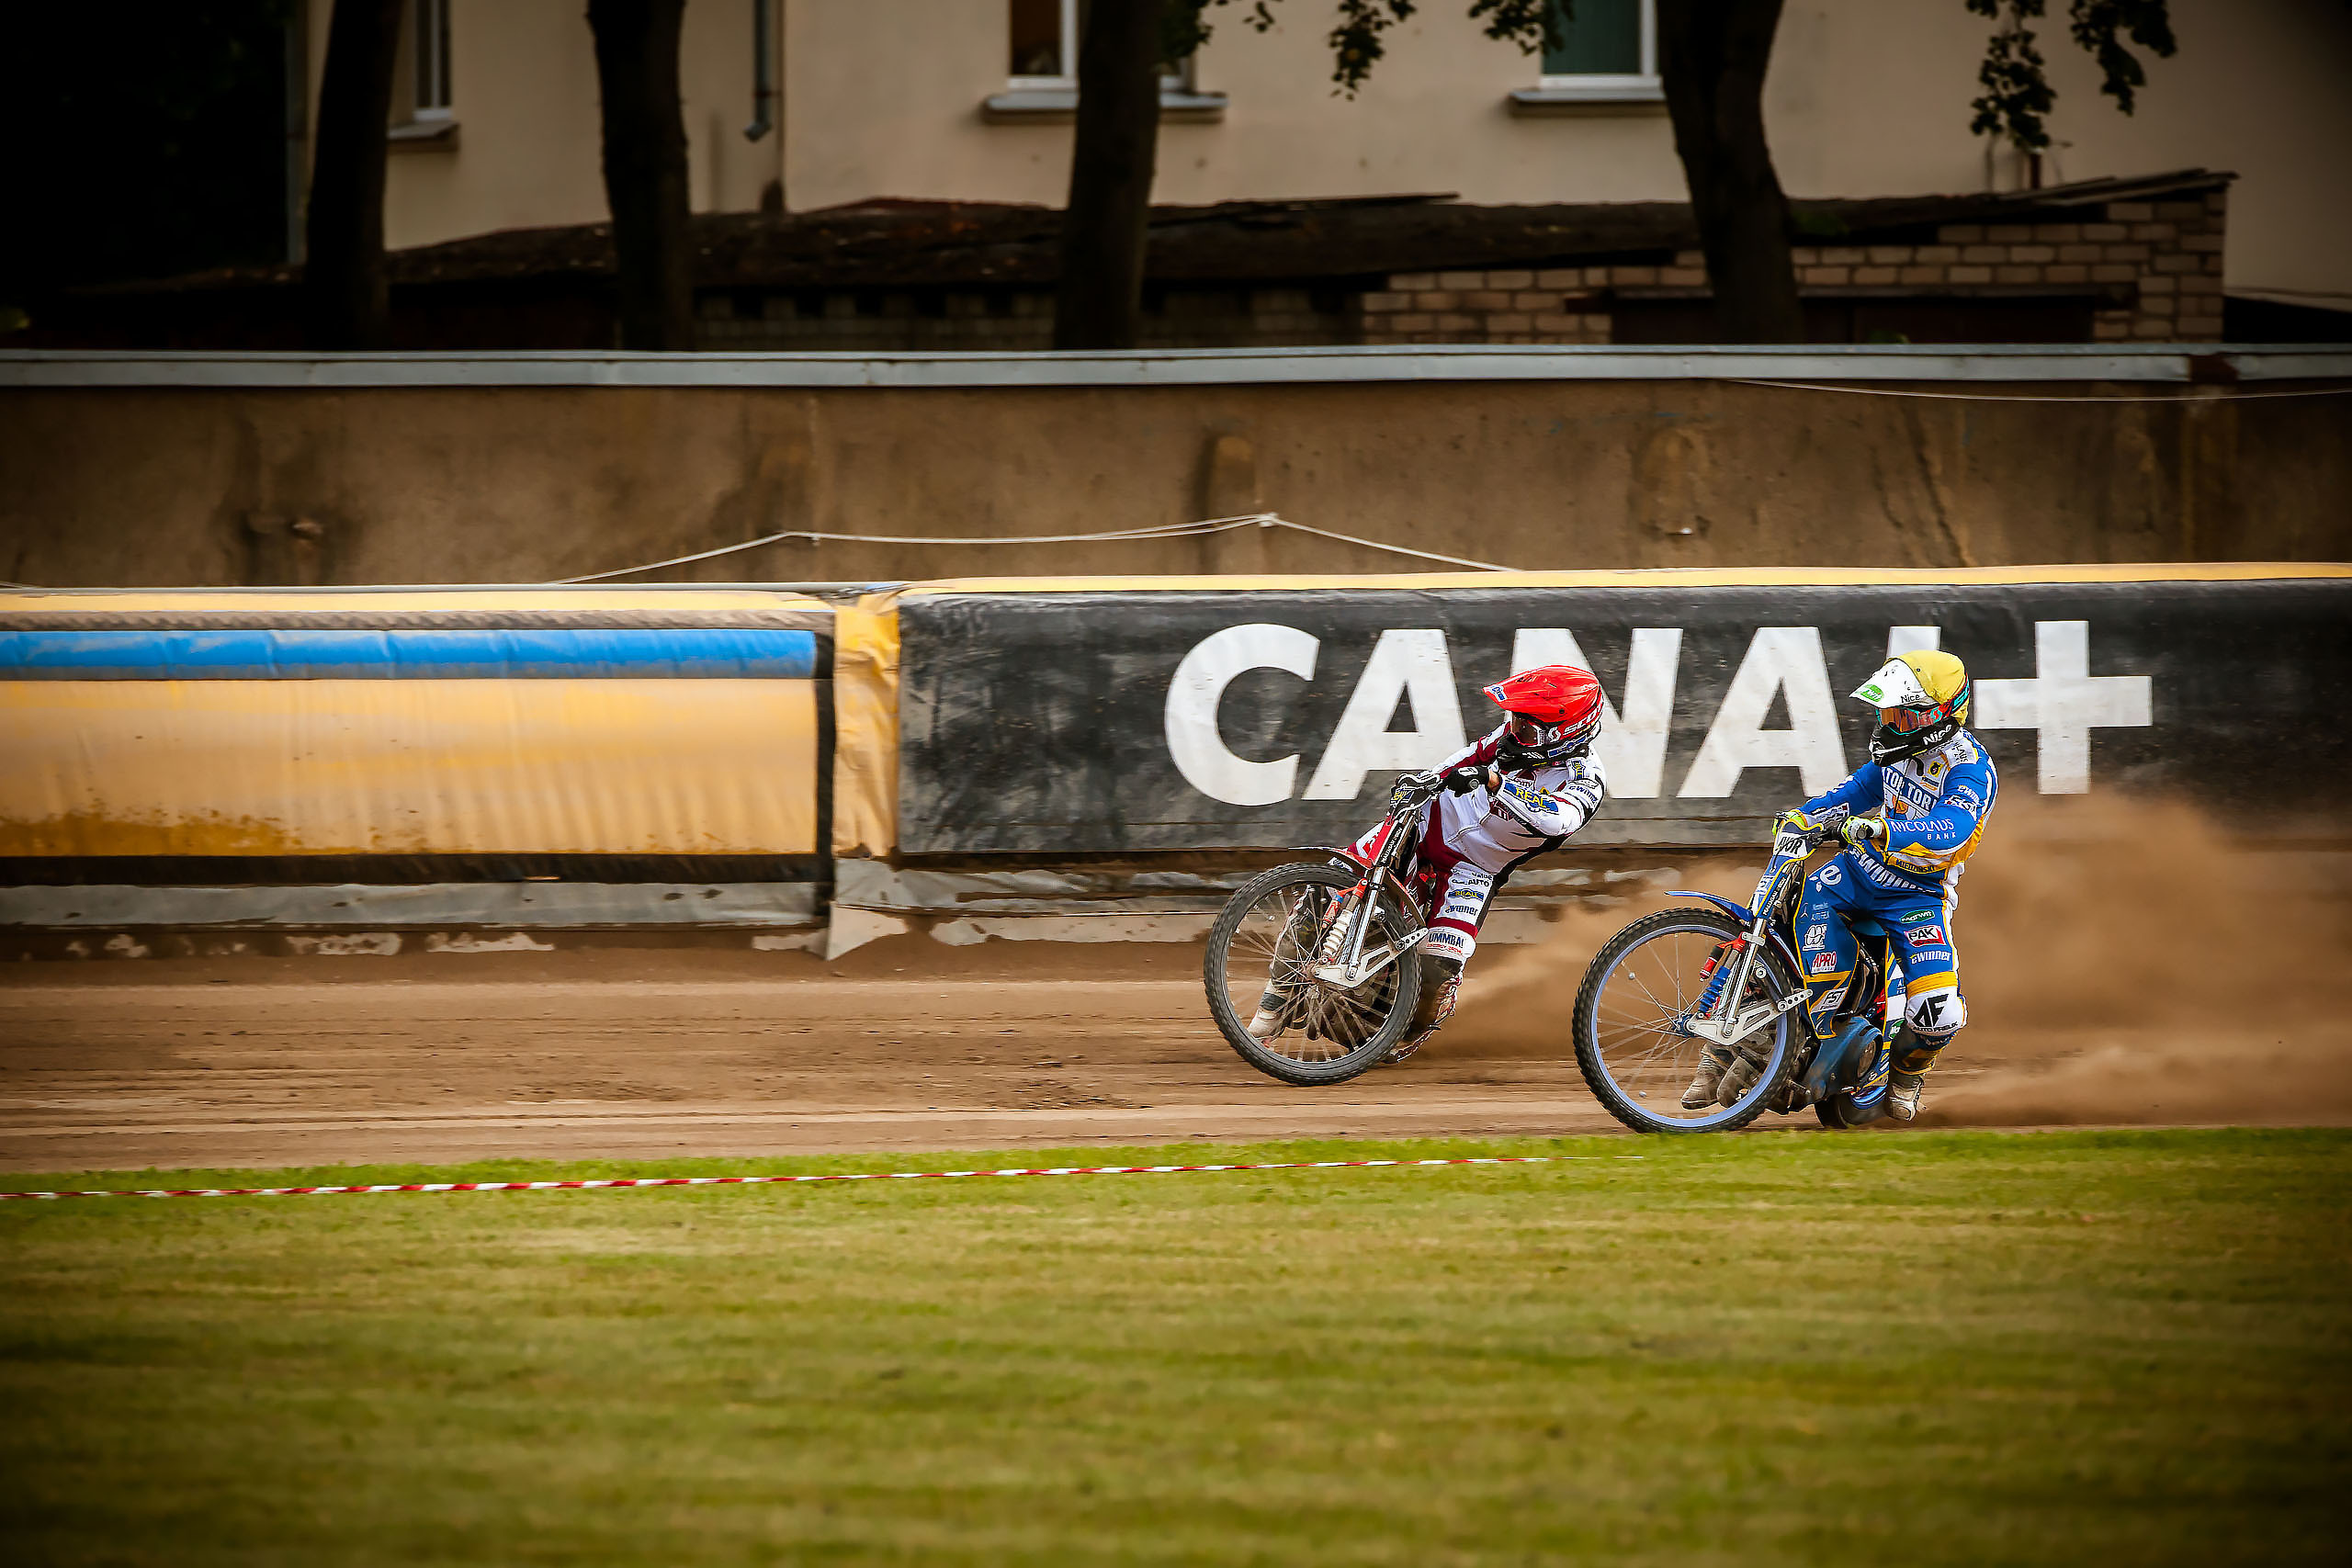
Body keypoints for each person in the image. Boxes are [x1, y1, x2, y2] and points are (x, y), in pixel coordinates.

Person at [1686, 649, 1997, 1121]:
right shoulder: (1896, 756)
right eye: (1885, 713)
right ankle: (1726, 1050)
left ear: (1940, 715)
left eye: (1902, 716)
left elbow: (1950, 830)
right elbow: (1849, 796)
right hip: (1852, 876)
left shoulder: (1970, 769)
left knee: (1940, 1013)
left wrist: (1880, 830)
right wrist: (1802, 819)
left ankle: (1906, 1076)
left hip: (1919, 897)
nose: (1889, 725)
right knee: (1776, 931)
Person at [1247, 663, 1611, 1064]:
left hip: (1473, 870)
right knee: (1332, 885)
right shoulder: (1510, 738)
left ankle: (1387, 1029)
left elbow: (1559, 818)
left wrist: (1497, 784)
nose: (1514, 731)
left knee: (1436, 973)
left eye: (1526, 727)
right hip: (1424, 824)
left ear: (1566, 732)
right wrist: (1425, 779)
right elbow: (1468, 755)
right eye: (1513, 720)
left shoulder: (1586, 777)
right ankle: (1276, 997)